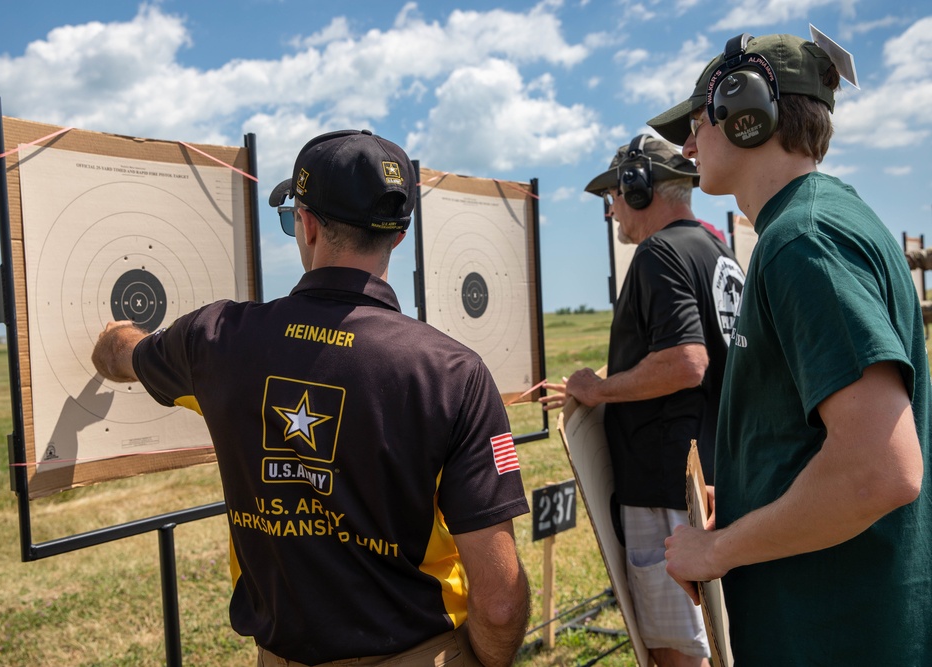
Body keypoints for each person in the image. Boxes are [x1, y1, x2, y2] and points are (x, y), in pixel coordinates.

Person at [91, 129, 531, 667]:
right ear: (396, 236)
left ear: (308, 223)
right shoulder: (454, 373)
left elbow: (122, 355)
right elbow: (501, 602)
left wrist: (114, 337)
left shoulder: (215, 339)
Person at [647, 32, 932, 664]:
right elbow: (815, 440)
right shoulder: (815, 223)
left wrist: (719, 550)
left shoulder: (804, 242)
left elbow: (879, 470)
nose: (688, 147)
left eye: (697, 122)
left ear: (746, 112)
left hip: (833, 633)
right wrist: (752, 497)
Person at [543, 134, 745, 667]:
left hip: (663, 487)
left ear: (639, 189)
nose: (611, 211)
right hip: (706, 478)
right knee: (717, 642)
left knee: (676, 652)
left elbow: (686, 361)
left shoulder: (659, 253)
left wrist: (598, 389)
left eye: (614, 194)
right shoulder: (714, 251)